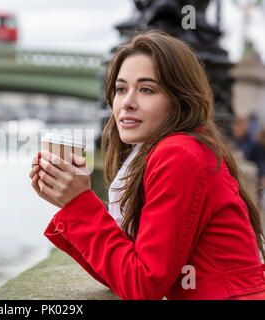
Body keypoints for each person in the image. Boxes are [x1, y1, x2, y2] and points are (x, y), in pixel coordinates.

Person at [28, 30, 265, 300]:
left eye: (146, 89)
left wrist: (79, 203)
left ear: (179, 100)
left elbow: (142, 286)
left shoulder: (179, 155)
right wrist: (69, 202)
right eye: (120, 89)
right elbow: (122, 273)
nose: (127, 103)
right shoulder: (173, 150)